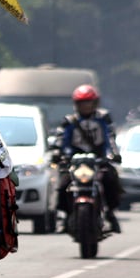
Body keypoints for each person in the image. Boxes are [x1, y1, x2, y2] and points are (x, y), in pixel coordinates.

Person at [54, 84, 123, 234]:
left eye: (88, 102)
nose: (85, 106)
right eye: (82, 103)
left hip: (98, 161)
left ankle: (110, 214)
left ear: (95, 103)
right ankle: (65, 217)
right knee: (63, 185)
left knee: (111, 180)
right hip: (75, 163)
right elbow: (60, 140)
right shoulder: (69, 121)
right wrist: (58, 154)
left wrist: (114, 154)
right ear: (76, 104)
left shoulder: (104, 118)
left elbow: (111, 138)